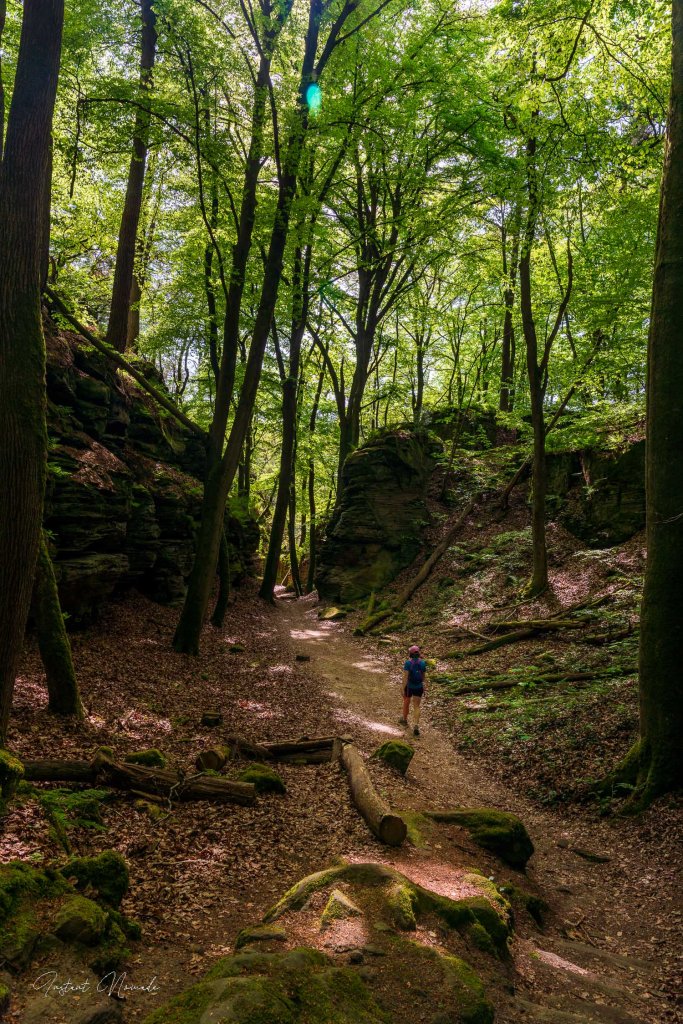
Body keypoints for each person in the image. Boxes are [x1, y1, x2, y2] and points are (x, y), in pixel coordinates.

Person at [400, 644, 427, 736]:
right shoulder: (423, 663)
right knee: (417, 706)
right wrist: (424, 685)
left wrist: (402, 687)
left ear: (410, 654)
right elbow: (423, 677)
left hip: (409, 687)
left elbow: (405, 677)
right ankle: (416, 725)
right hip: (419, 687)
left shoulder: (408, 663)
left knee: (406, 702)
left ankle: (404, 719)